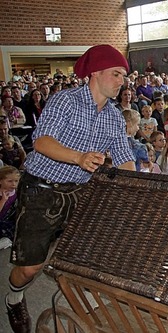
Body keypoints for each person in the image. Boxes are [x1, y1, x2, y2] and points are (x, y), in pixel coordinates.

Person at [5, 45, 135, 333]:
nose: (121, 81)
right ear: (95, 73)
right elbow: (40, 142)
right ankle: (13, 298)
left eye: (123, 76)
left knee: (89, 254)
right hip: (41, 190)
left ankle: (84, 306)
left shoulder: (114, 116)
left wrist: (137, 186)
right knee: (30, 268)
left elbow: (125, 158)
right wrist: (79, 157)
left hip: (80, 193)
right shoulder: (65, 101)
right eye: (116, 74)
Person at [0, 166, 20, 250]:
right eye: (9, 181)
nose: (13, 184)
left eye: (16, 181)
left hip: (7, 221)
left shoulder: (16, 192)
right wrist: (3, 200)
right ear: (0, 181)